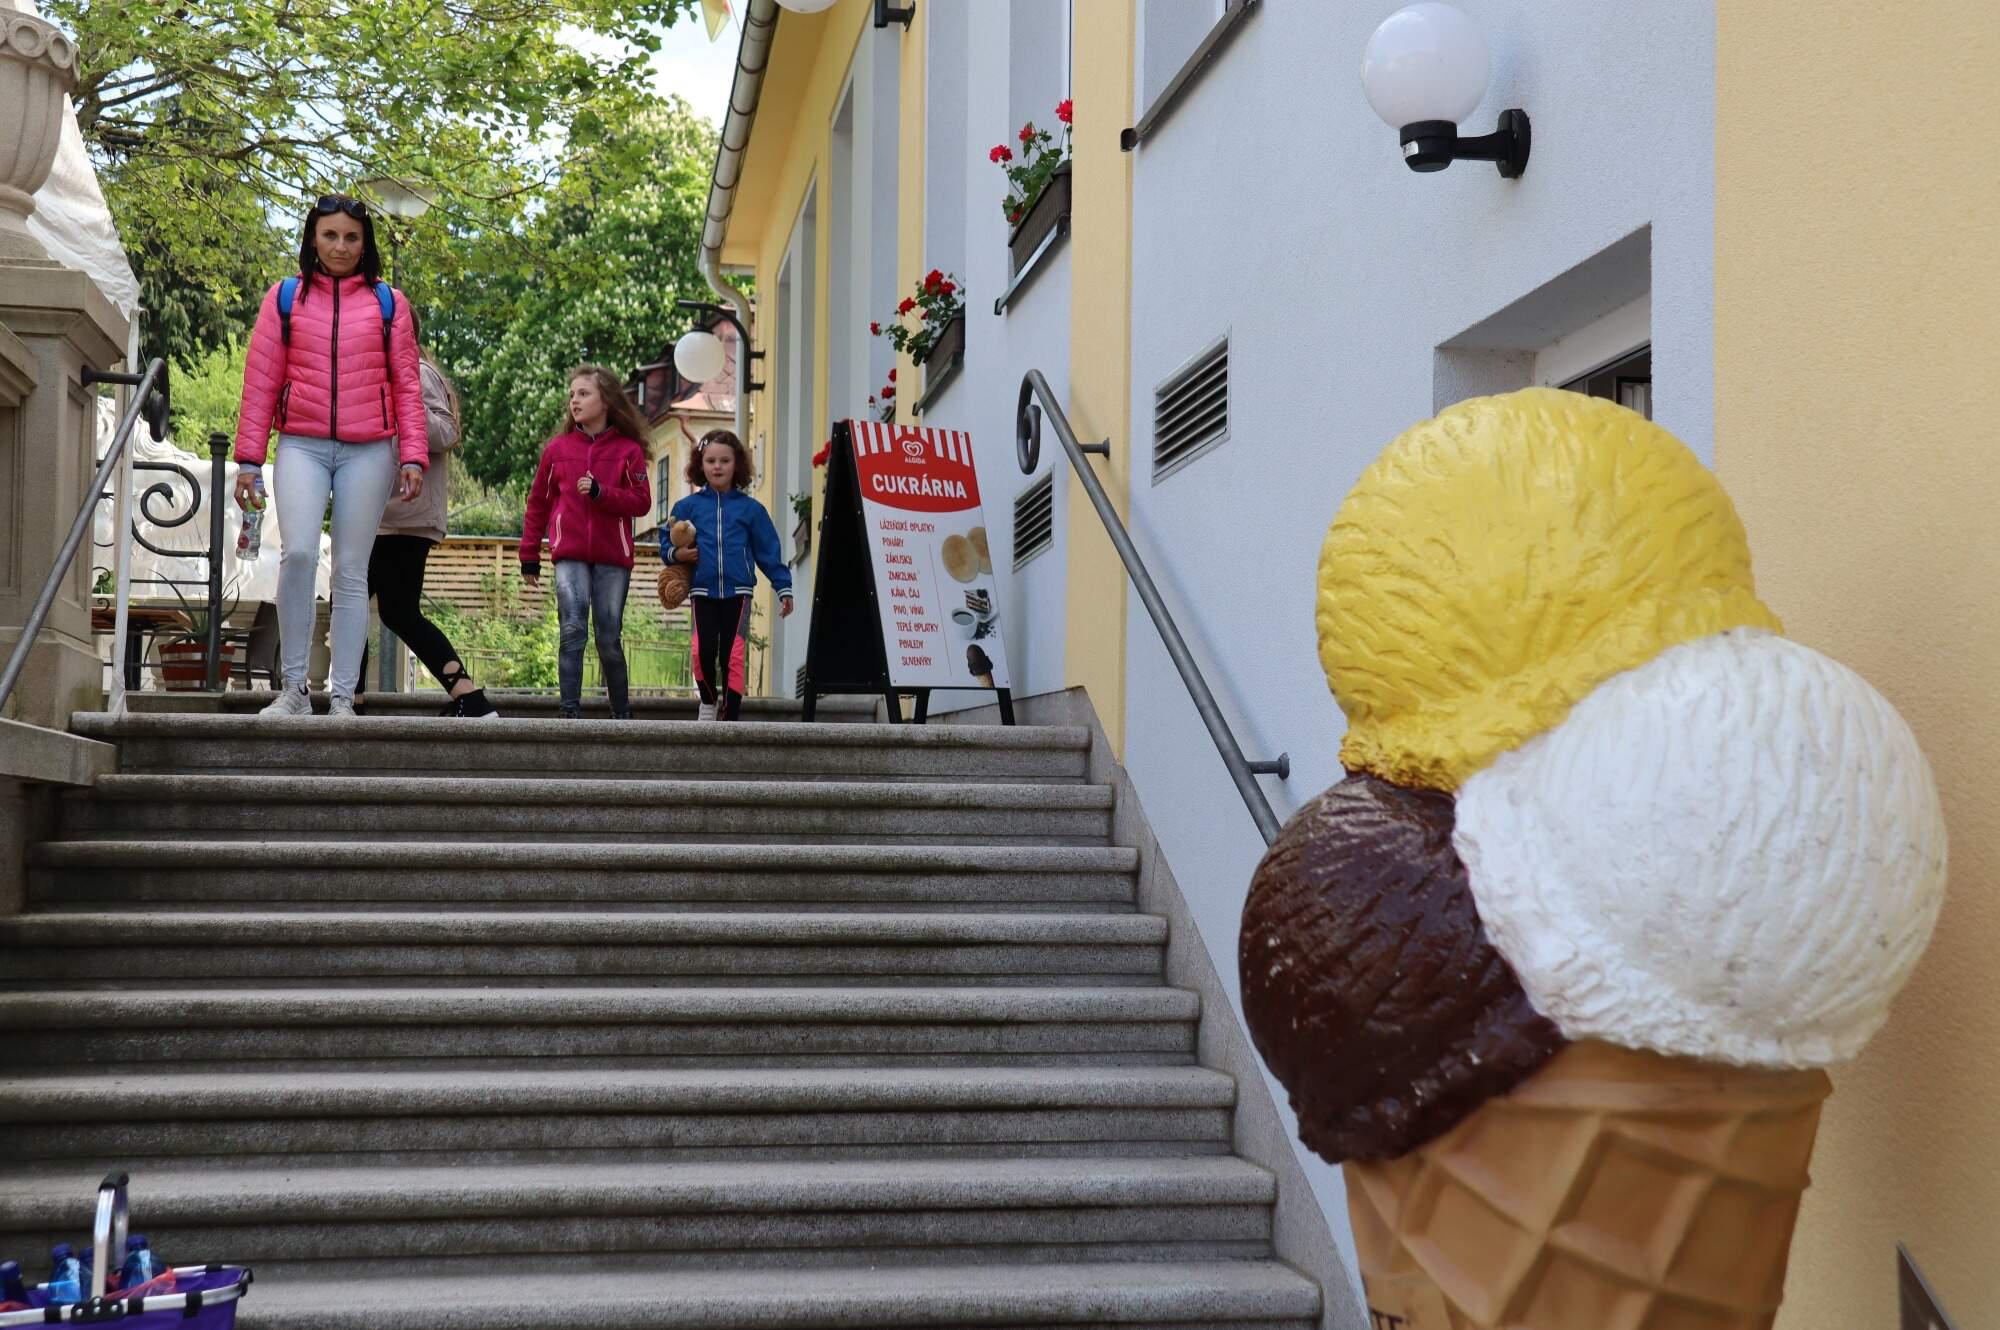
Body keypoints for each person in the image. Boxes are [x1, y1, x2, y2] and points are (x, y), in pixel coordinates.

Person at [233, 194, 429, 719]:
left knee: (349, 569)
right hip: (301, 442)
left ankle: (343, 696)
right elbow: (259, 381)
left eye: (351, 237)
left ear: (365, 245)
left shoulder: (389, 303)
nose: (340, 246)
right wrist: (249, 458)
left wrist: (412, 453)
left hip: (370, 449)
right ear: (312, 239)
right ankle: (294, 689)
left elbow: (407, 386)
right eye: (330, 235)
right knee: (297, 554)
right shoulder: (285, 298)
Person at [367, 337, 499, 718]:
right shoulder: (382, 377)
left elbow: (446, 433)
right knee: (385, 608)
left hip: (403, 515)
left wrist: (400, 401)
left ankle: (469, 696)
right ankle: (468, 695)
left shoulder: (418, 375)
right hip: (386, 514)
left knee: (378, 605)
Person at [519, 366, 652, 719]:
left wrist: (600, 493)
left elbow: (641, 502)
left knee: (608, 638)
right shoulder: (557, 450)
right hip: (570, 555)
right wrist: (528, 553)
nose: (574, 400)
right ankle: (569, 713)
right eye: (572, 394)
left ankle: (622, 715)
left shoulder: (629, 450)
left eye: (583, 393)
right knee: (573, 629)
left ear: (605, 400)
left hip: (613, 558)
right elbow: (538, 503)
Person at [666, 429, 793, 721]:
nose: (717, 466)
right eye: (710, 460)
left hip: (738, 593)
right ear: (700, 465)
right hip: (702, 592)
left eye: (725, 460)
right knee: (701, 651)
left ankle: (732, 715)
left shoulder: (751, 510)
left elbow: (768, 552)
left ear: (738, 464)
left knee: (733, 655)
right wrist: (677, 555)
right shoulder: (687, 508)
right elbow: (667, 542)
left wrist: (783, 588)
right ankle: (708, 702)